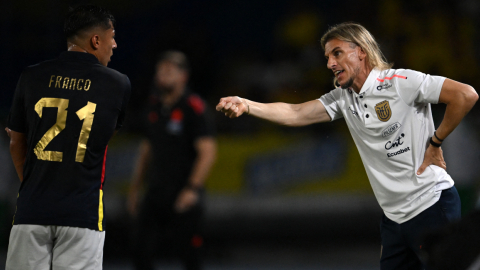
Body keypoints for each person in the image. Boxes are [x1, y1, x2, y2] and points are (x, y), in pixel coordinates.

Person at [216, 22, 478, 269]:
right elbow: (296, 112)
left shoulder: (400, 82)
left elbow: (466, 95)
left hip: (431, 205)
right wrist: (247, 105)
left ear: (361, 52)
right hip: (394, 219)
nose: (330, 63)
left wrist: (436, 141)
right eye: (328, 56)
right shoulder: (343, 99)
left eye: (337, 53)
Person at [5, 5, 130, 270]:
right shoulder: (117, 84)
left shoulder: (30, 76)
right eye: (112, 36)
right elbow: (104, 137)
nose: (115, 44)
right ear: (96, 40)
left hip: (32, 209)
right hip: (82, 213)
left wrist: (33, 184)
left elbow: (16, 142)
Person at [127, 51, 217, 270]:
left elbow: (208, 151)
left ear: (183, 76)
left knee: (189, 255)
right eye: (161, 70)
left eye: (170, 70)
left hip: (183, 192)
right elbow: (146, 150)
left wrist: (192, 189)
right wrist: (135, 188)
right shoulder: (153, 107)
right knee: (140, 250)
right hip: (155, 192)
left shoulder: (193, 107)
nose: (164, 75)